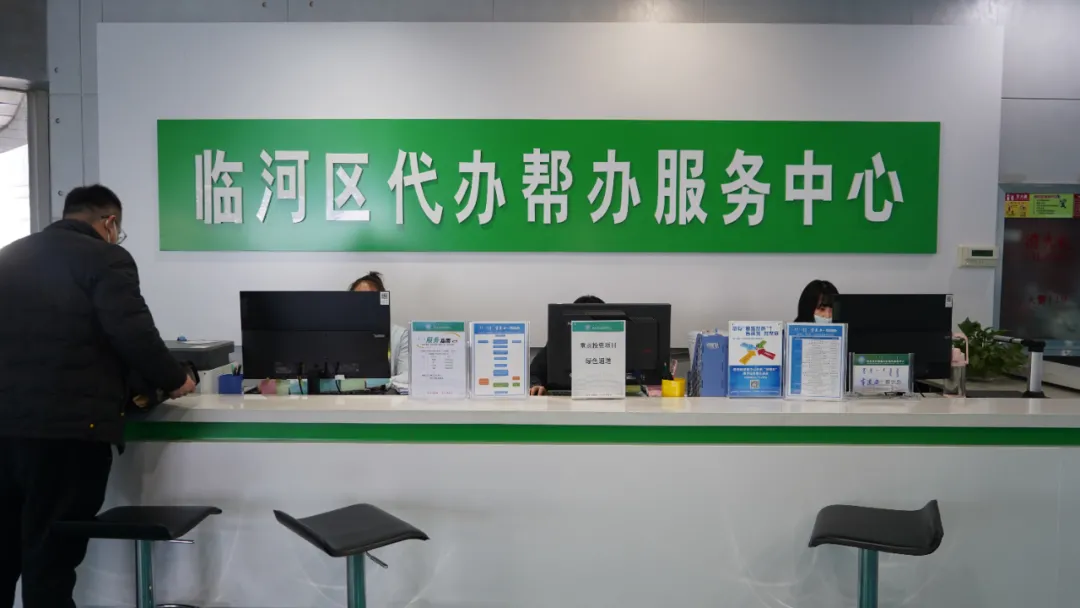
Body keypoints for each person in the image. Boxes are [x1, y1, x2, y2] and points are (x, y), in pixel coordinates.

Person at [0, 184, 196, 607]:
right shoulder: (106, 258)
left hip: (4, 431)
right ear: (109, 223)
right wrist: (174, 378)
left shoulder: (9, 256)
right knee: (50, 564)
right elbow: (133, 332)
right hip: (66, 435)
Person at [529, 295, 605, 395]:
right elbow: (533, 374)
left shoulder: (614, 346)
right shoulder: (558, 344)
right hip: (560, 400)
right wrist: (535, 385)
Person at [349, 271, 410, 392]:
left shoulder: (400, 335)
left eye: (370, 299)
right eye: (358, 299)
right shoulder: (340, 335)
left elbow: (407, 377)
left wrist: (373, 383)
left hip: (386, 399)